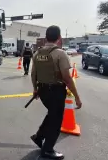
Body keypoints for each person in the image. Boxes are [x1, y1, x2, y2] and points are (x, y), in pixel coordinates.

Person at [29, 25, 82, 160]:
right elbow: (67, 77)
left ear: (46, 37)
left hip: (43, 91)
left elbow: (33, 74)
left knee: (52, 114)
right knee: (56, 120)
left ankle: (39, 137)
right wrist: (77, 97)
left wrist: (35, 89)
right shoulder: (60, 53)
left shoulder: (37, 53)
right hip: (56, 91)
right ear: (59, 38)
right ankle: (47, 150)